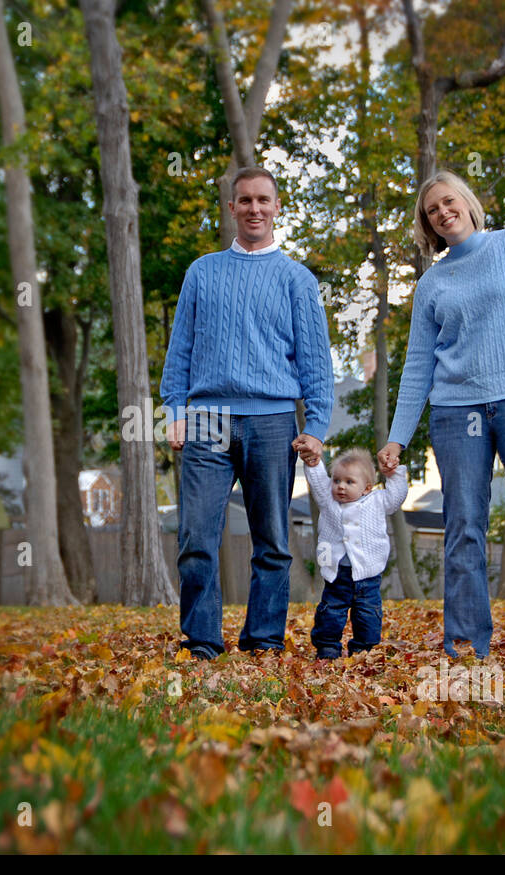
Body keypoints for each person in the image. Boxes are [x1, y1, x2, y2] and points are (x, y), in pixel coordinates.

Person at [376, 170, 505, 658]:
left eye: (448, 202)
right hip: (456, 414)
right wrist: (397, 438)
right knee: (463, 527)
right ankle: (466, 643)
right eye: (432, 210)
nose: (442, 212)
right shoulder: (431, 283)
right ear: (427, 224)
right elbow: (417, 365)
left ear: (467, 203)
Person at [160, 166, 334, 660]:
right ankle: (202, 643)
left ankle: (262, 642)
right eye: (245, 200)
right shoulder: (202, 272)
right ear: (231, 208)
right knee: (195, 538)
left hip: (274, 420)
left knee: (273, 542)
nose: (254, 208)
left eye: (263, 200)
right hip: (206, 419)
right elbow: (180, 352)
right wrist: (174, 408)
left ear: (277, 207)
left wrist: (316, 425)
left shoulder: (297, 280)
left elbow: (316, 362)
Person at [302, 447, 408, 659]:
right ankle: (327, 648)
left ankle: (363, 651)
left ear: (367, 487)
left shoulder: (377, 501)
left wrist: (393, 474)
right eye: (337, 480)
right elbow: (318, 481)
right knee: (330, 612)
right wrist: (313, 463)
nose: (341, 486)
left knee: (368, 615)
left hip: (368, 576)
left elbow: (396, 496)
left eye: (349, 482)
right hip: (337, 573)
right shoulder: (328, 501)